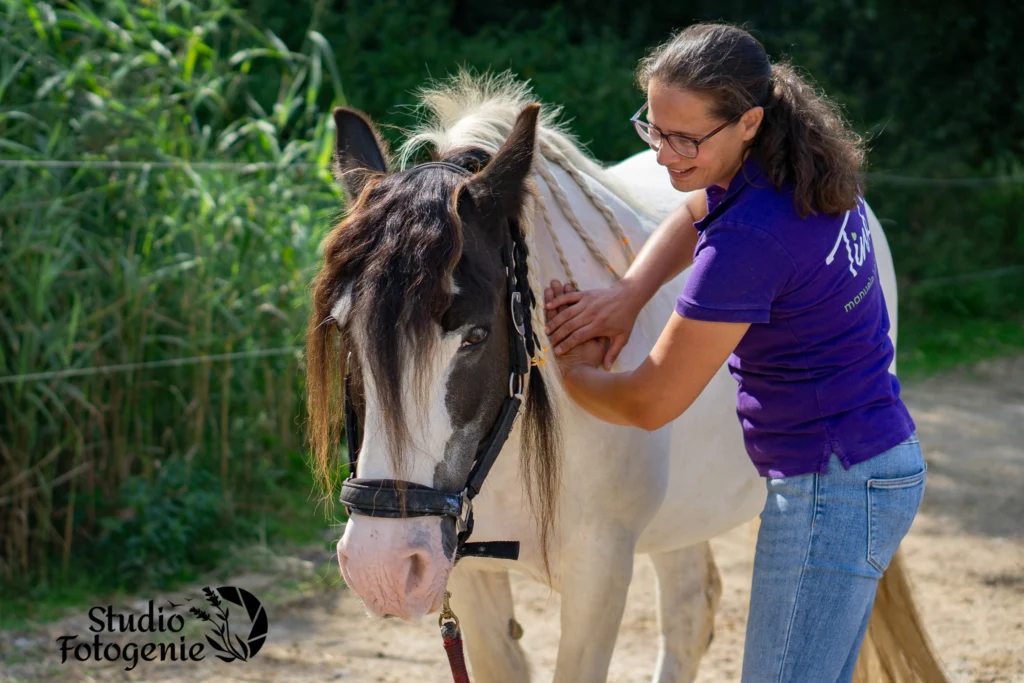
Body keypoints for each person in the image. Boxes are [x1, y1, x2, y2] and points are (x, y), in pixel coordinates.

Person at [542, 23, 926, 683]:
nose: (664, 154)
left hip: (829, 488)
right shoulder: (796, 170)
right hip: (872, 461)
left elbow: (650, 399)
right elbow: (698, 207)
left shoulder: (749, 241)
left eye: (686, 138)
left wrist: (567, 370)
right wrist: (632, 293)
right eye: (653, 128)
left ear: (748, 121)